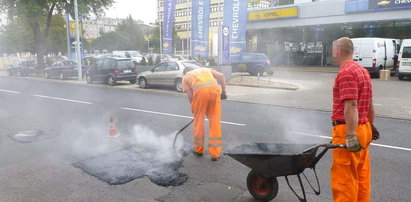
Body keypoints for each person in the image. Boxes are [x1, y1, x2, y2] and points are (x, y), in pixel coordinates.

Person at [331, 37, 379, 202]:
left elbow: (351, 105)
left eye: (333, 50)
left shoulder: (346, 72)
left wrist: (351, 135)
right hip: (364, 127)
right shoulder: (362, 71)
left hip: (348, 129)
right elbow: (370, 104)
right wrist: (371, 127)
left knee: (344, 180)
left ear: (338, 50)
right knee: (361, 176)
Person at [182, 67, 227, 161]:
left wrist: (195, 110)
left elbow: (190, 96)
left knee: (199, 122)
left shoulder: (186, 77)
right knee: (215, 122)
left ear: (185, 72)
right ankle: (215, 154)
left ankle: (199, 150)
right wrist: (224, 92)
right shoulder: (205, 69)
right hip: (215, 91)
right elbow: (222, 76)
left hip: (201, 93)